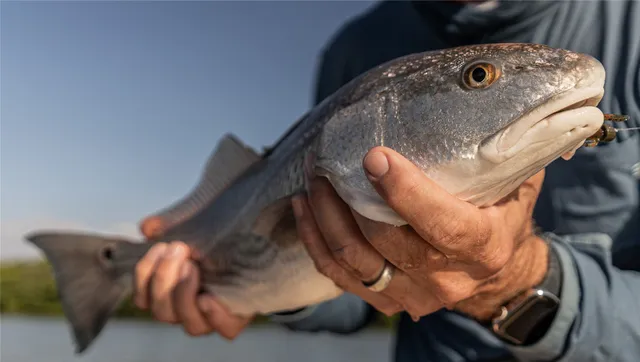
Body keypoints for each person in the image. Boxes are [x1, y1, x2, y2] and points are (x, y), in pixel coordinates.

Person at [133, 1, 640, 361]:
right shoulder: (356, 48)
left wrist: (527, 283)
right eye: (479, 77)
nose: (481, 80)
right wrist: (259, 292)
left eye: (477, 76)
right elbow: (356, 304)